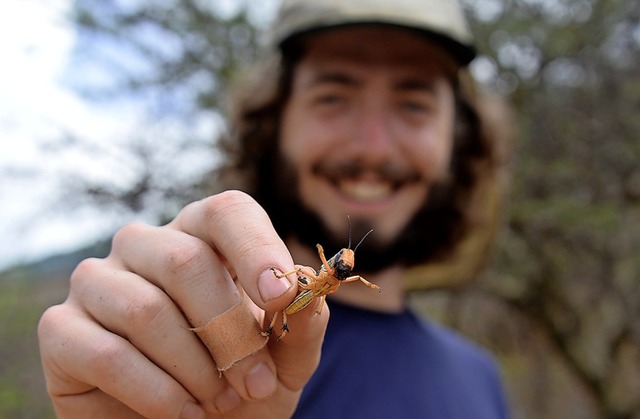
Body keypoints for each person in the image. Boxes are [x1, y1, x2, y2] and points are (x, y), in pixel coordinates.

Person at [38, 0, 512, 417]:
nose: (373, 146)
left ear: (460, 140)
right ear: (272, 125)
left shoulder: (481, 378)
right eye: (333, 97)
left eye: (413, 105)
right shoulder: (206, 351)